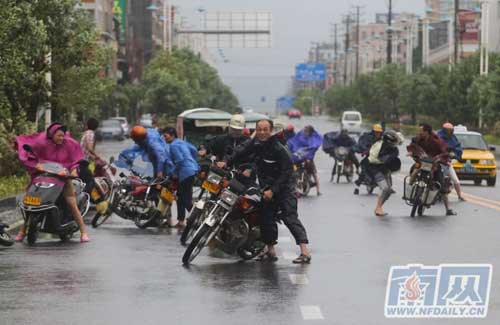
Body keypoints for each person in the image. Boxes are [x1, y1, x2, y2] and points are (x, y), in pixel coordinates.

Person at [223, 119, 311, 264]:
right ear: (256, 130)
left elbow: (287, 171)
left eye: (265, 130)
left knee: (290, 217)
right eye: (260, 129)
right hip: (265, 188)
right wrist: (226, 162)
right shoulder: (255, 144)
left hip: (284, 188)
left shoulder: (279, 148)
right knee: (266, 218)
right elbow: (241, 151)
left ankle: (305, 252)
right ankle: (270, 251)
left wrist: (274, 190)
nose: (262, 132)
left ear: (271, 131)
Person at [15, 122, 90, 242]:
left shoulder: (69, 144)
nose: (61, 138)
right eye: (59, 135)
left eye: (62, 135)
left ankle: (83, 232)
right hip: (43, 177)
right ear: (51, 134)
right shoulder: (42, 143)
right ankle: (22, 231)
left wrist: (74, 170)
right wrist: (36, 165)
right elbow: (32, 153)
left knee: (72, 203)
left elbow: (75, 160)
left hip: (63, 178)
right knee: (30, 202)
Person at [409, 123, 456, 216]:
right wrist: (411, 151)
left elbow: (445, 150)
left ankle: (448, 209)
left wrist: (444, 156)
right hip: (422, 162)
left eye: (421, 131)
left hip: (434, 164)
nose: (420, 133)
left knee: (442, 185)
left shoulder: (437, 140)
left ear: (427, 132)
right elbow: (413, 145)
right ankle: (409, 189)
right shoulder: (419, 138)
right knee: (414, 171)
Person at [162, 127, 199, 228]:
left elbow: (179, 160)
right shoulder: (181, 142)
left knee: (185, 198)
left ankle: (197, 219)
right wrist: (192, 161)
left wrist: (174, 172)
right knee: (180, 197)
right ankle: (181, 221)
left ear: (172, 135)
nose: (164, 138)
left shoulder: (173, 145)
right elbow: (194, 150)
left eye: (166, 136)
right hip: (192, 170)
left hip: (185, 173)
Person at [367, 130, 401, 216]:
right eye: (393, 141)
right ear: (388, 141)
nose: (395, 143)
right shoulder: (378, 146)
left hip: (385, 169)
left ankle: (379, 207)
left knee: (389, 190)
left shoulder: (394, 149)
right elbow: (372, 159)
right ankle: (378, 208)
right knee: (385, 188)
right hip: (375, 169)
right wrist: (383, 160)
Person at [287, 125, 323, 196]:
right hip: (298, 157)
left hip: (308, 158)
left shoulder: (313, 138)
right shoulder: (300, 135)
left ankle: (318, 191)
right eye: (304, 130)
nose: (304, 131)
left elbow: (314, 146)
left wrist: (309, 154)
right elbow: (294, 142)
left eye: (306, 130)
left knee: (314, 173)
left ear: (310, 131)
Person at [437, 122, 465, 201]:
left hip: (446, 161)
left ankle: (459, 196)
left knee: (455, 179)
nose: (449, 132)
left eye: (450, 130)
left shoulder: (453, 138)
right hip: (437, 161)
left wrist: (457, 155)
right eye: (447, 130)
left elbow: (458, 147)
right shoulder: (438, 137)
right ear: (443, 130)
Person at [353, 124, 384, 195]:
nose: (378, 133)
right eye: (376, 132)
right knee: (364, 168)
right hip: (370, 156)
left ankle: (388, 186)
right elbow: (363, 145)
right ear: (373, 132)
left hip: (379, 157)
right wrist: (365, 150)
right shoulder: (368, 138)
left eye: (379, 132)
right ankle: (357, 186)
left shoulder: (382, 139)